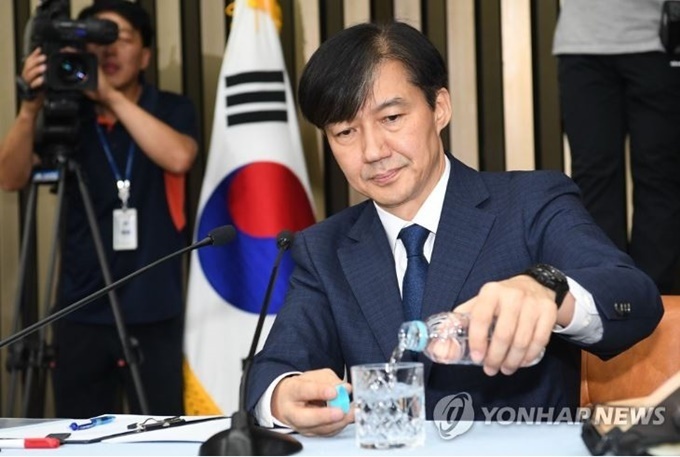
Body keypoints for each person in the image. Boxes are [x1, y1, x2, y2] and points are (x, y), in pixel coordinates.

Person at [245, 21, 663, 435]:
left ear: (439, 108)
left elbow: (633, 296)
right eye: (345, 132)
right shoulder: (322, 249)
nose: (372, 151)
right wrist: (282, 396)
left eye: (391, 117)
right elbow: (273, 369)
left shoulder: (530, 203)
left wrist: (548, 290)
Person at [0, 0, 198, 417]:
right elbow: (10, 178)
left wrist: (109, 97)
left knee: (161, 430)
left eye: (120, 39)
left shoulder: (170, 108)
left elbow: (179, 157)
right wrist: (29, 108)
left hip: (153, 305)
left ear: (145, 55)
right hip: (80, 308)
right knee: (80, 431)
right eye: (96, 40)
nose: (108, 50)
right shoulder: (68, 114)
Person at [553, 0, 680, 294]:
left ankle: (654, 296)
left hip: (660, 42)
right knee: (593, 175)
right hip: (582, 43)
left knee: (660, 175)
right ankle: (605, 289)